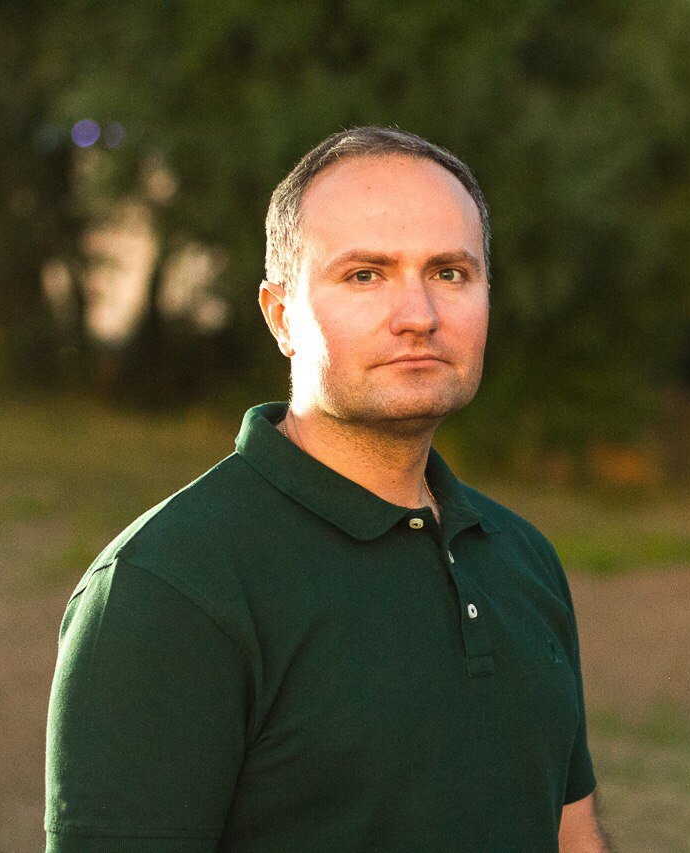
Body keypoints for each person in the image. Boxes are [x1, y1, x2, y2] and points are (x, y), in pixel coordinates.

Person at [44, 126, 612, 851]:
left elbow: (573, 835)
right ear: (281, 316)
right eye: (366, 275)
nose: (420, 316)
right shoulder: (168, 587)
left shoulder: (521, 558)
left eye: (449, 273)